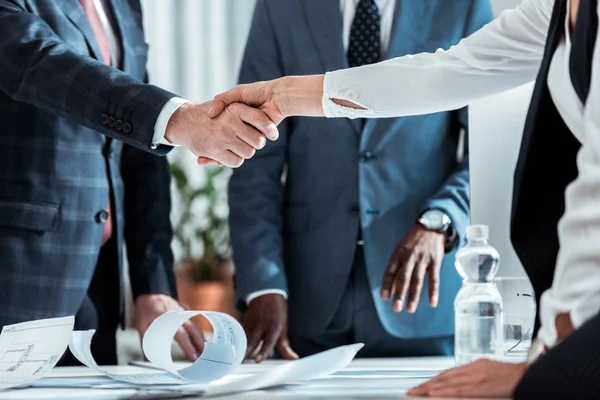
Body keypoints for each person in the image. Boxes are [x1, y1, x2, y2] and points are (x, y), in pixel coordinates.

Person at [208, 0, 600, 397]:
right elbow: (442, 74)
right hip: (315, 297)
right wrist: (285, 94)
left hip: (463, 307)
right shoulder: (550, 12)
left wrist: (555, 343)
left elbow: (589, 191)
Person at [0, 0, 276, 364]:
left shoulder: (123, 5)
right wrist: (180, 118)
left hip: (97, 283)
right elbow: (42, 65)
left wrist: (152, 284)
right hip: (18, 276)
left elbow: (139, 153)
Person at [228, 0, 493, 362]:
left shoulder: (461, 7)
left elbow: (490, 149)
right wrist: (263, 284)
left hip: (421, 303)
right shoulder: (281, 8)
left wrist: (441, 218)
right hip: (306, 302)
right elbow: (253, 162)